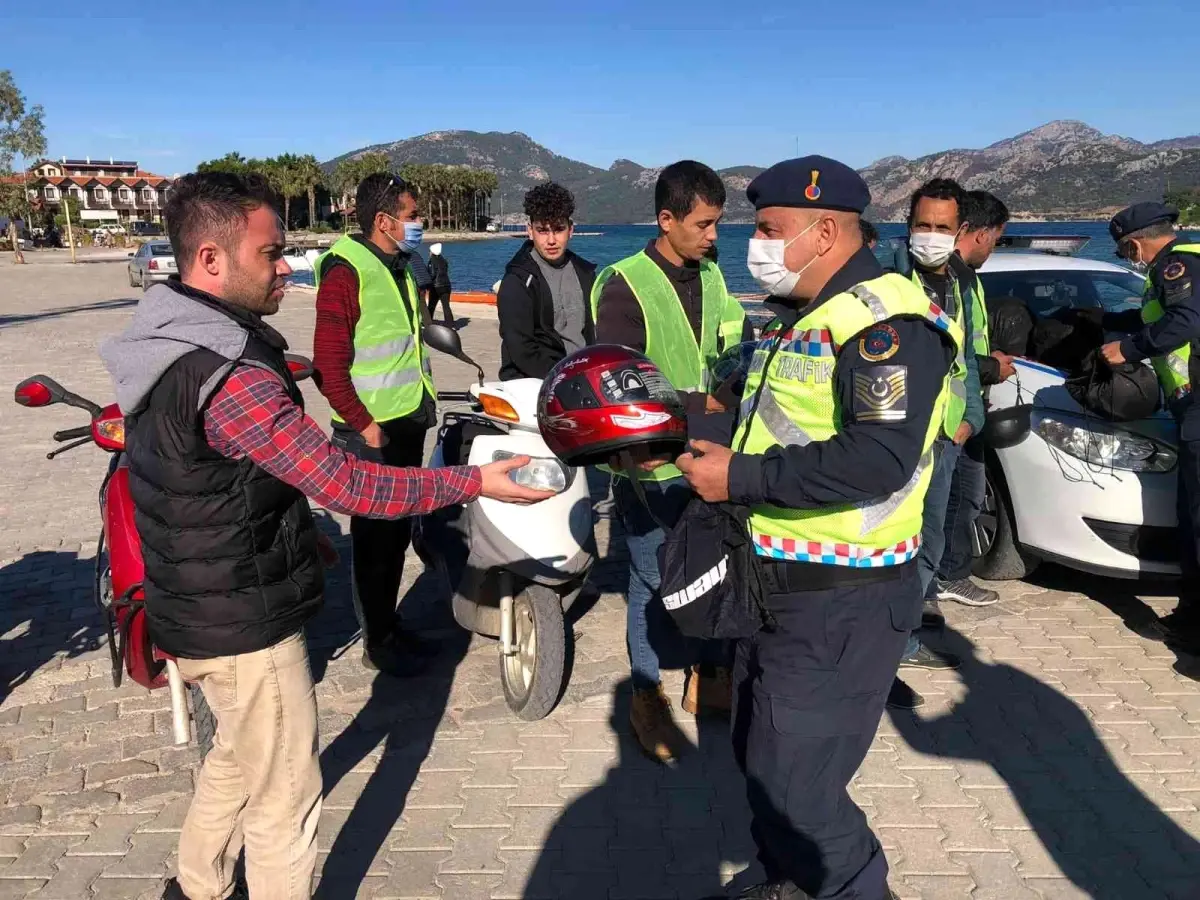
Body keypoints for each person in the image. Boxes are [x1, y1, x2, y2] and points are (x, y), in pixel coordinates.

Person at [98, 172, 551, 900]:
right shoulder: (228, 373)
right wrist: (478, 482)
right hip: (242, 623)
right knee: (284, 799)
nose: (287, 267)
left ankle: (195, 886)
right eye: (272, 252)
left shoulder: (165, 336)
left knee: (239, 759)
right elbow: (352, 485)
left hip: (193, 600)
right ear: (210, 259)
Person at [676, 155, 958, 900]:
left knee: (801, 791)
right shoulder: (807, 312)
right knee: (758, 758)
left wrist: (738, 478)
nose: (757, 245)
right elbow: (776, 425)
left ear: (826, 230)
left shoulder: (886, 325)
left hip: (844, 598)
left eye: (770, 230)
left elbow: (879, 457)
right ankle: (785, 880)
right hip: (777, 585)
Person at [592, 160, 751, 763]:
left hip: (711, 453)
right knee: (653, 578)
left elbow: (731, 338)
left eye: (719, 223)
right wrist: (700, 401)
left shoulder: (710, 275)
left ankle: (706, 679)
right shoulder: (624, 283)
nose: (715, 237)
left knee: (711, 568)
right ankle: (645, 692)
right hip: (650, 462)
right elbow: (616, 379)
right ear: (666, 219)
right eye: (705, 224)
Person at [311, 172, 441, 678]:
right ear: (384, 221)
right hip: (372, 434)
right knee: (374, 542)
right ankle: (379, 643)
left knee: (396, 536)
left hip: (405, 421)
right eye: (411, 216)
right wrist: (366, 427)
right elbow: (328, 363)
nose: (419, 224)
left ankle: (390, 625)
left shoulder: (400, 266)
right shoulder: (347, 271)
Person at [1100, 201, 1200, 650]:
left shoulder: (1176, 265)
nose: (1129, 261)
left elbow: (1185, 321)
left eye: (1124, 252)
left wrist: (1130, 349)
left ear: (1135, 243)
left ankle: (1194, 629)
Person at [896, 178, 984, 680]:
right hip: (894, 435)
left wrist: (971, 416)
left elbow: (966, 354)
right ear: (909, 226)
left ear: (959, 231)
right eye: (922, 225)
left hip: (945, 436)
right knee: (886, 544)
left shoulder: (961, 280)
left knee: (928, 541)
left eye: (942, 227)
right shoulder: (887, 274)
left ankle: (905, 641)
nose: (931, 235)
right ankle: (879, 652)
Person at [936, 191, 1016, 607]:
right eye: (996, 239)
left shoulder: (966, 276)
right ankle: (944, 578)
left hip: (967, 407)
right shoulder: (950, 278)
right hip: (951, 413)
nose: (994, 249)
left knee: (962, 497)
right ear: (979, 233)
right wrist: (992, 368)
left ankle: (948, 575)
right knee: (951, 500)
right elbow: (953, 348)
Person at [496, 182, 596, 380]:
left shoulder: (586, 273)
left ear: (571, 230)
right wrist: (564, 377)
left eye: (558, 229)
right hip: (532, 382)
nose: (551, 240)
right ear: (530, 231)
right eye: (542, 230)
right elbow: (521, 349)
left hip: (584, 378)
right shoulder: (517, 280)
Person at [428, 242, 454, 325]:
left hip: (436, 286)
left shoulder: (432, 260)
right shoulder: (444, 260)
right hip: (447, 285)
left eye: (430, 251)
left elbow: (432, 274)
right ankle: (450, 324)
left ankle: (428, 321)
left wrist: (428, 283)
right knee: (446, 306)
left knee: (432, 305)